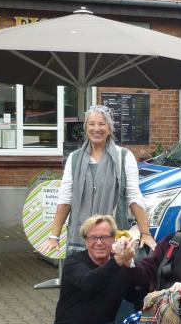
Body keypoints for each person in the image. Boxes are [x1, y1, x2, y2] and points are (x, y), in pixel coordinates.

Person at [35, 214, 141, 324]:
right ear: (85, 241)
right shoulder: (73, 262)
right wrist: (117, 261)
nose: (99, 243)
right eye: (93, 238)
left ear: (113, 239)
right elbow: (88, 282)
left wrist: (131, 266)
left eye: (104, 237)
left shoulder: (121, 266)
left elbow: (136, 296)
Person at [37, 105, 156, 255]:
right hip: (80, 239)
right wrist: (54, 236)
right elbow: (65, 199)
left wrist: (145, 233)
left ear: (109, 129)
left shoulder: (124, 157)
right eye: (91, 124)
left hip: (114, 238)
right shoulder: (74, 158)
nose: (96, 129)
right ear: (86, 128)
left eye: (101, 124)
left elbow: (134, 196)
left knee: (112, 270)